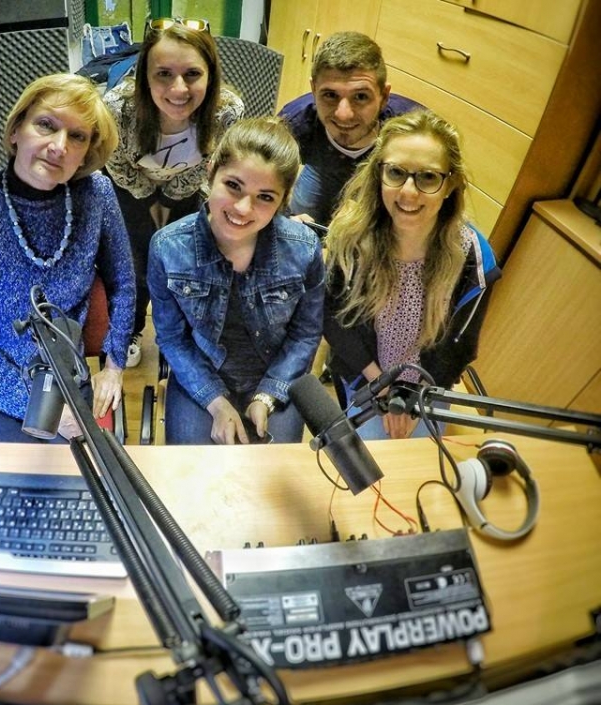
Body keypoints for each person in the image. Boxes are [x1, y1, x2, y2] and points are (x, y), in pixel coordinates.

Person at [0, 73, 136, 443]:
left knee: (85, 470)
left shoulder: (97, 195)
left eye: (77, 136)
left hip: (62, 376)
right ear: (16, 130)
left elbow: (122, 283)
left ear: (86, 152)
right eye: (46, 125)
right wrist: (44, 411)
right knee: (30, 472)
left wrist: (115, 363)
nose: (59, 146)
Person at [324, 109, 501, 440]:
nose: (408, 192)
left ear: (450, 185)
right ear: (379, 173)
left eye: (428, 177)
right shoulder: (349, 238)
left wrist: (412, 398)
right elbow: (334, 320)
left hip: (429, 383)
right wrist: (382, 388)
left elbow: (458, 348)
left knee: (418, 460)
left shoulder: (475, 256)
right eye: (396, 172)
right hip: (367, 375)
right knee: (368, 459)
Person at [147, 116, 325, 445]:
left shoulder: (304, 248)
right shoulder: (167, 247)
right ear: (211, 172)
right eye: (233, 186)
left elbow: (305, 335)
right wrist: (215, 402)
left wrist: (268, 396)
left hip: (276, 374)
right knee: (191, 470)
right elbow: (172, 338)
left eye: (265, 197)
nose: (243, 208)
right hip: (202, 376)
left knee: (274, 472)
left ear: (284, 200)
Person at [104, 18, 244, 367]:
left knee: (185, 262)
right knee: (134, 264)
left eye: (192, 74)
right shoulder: (117, 109)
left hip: (187, 189)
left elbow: (212, 162)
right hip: (131, 188)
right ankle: (131, 328)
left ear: (210, 75)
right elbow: (115, 162)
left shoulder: (227, 111)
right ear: (145, 75)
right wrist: (148, 199)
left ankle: (179, 334)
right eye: (163, 74)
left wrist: (169, 199)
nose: (178, 89)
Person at [279, 31, 421, 226]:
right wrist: (285, 218)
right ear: (313, 90)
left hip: (383, 184)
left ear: (384, 96)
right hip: (322, 169)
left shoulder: (414, 132)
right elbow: (261, 180)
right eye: (330, 95)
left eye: (361, 97)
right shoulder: (293, 123)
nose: (343, 115)